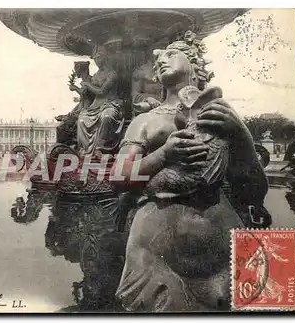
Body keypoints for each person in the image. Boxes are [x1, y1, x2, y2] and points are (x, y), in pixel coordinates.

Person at [111, 31, 268, 312]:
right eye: (158, 57)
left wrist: (242, 135)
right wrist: (163, 154)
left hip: (223, 245)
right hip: (156, 252)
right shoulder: (144, 121)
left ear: (194, 64)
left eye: (171, 53)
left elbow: (255, 190)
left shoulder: (221, 115)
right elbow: (119, 177)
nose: (160, 59)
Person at [77, 45, 125, 155]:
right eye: (95, 58)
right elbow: (90, 94)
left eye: (99, 57)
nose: (97, 60)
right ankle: (86, 149)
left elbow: (102, 91)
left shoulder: (112, 74)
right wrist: (83, 90)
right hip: (95, 106)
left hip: (110, 103)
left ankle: (102, 147)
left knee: (107, 117)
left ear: (105, 57)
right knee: (81, 119)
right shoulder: (95, 76)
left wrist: (87, 85)